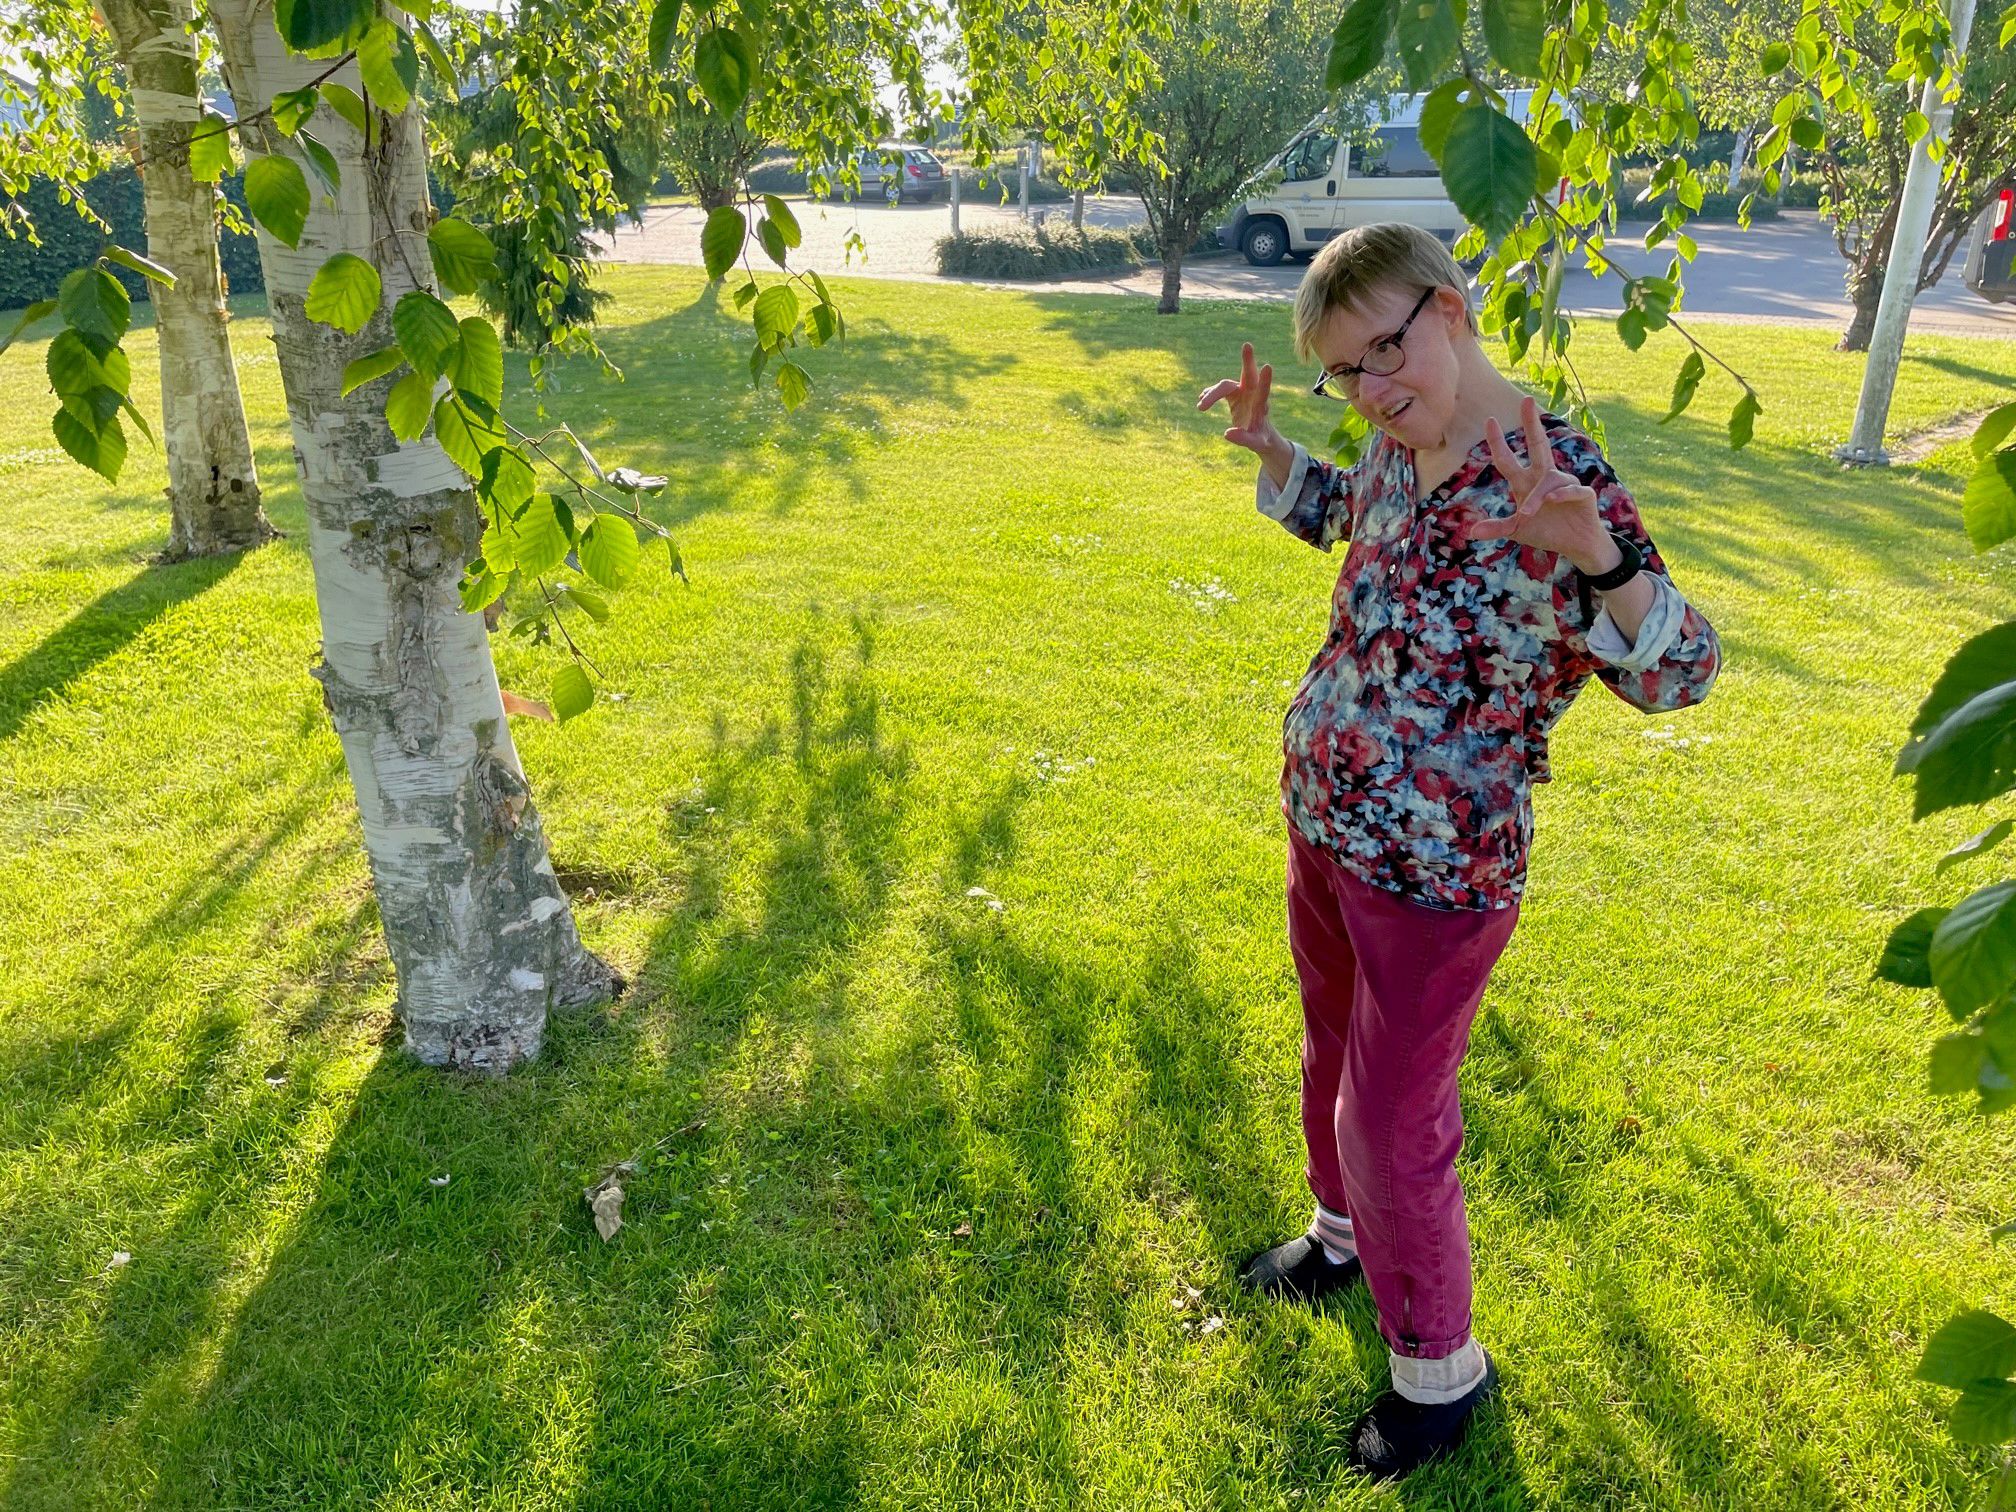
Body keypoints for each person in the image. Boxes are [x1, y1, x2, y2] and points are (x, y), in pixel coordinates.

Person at [1196, 223, 1721, 1480]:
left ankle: (1439, 1374)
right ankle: (1337, 1242)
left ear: (1454, 309)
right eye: (1347, 373)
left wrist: (1599, 560)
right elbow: (1353, 525)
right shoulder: (1390, 450)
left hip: (1440, 874)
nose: (1375, 391)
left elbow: (1686, 670)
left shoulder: (1556, 476)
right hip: (1325, 820)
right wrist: (1280, 455)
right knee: (1330, 1053)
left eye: (1388, 349)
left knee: (1393, 1117)